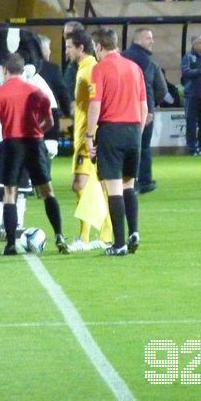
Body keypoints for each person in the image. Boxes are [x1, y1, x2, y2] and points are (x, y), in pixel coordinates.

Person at [0, 53, 69, 255]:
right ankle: (59, 236)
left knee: (10, 193)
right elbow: (50, 122)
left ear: (5, 71)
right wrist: (38, 130)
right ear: (23, 71)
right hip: (35, 143)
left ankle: (11, 244)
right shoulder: (37, 92)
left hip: (12, 144)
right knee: (47, 191)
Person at [85, 28, 147, 256]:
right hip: (133, 130)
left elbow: (95, 105)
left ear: (99, 46)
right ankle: (134, 232)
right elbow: (144, 107)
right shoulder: (134, 68)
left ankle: (119, 243)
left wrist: (90, 135)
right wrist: (136, 133)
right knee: (129, 184)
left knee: (113, 188)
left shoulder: (99, 69)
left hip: (111, 130)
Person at [64, 28, 111, 251]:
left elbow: (96, 103)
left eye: (69, 47)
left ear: (80, 48)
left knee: (82, 184)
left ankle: (87, 237)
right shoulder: (82, 69)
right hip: (81, 135)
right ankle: (103, 234)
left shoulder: (91, 69)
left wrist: (91, 135)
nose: (66, 51)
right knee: (92, 184)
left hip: (87, 137)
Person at [121, 27, 166, 193]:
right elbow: (162, 89)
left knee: (123, 148)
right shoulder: (150, 63)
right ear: (137, 40)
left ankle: (122, 181)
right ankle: (144, 181)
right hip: (144, 111)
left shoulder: (120, 58)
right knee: (144, 148)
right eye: (149, 38)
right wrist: (152, 106)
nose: (152, 41)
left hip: (122, 111)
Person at [37, 33, 71, 142]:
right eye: (48, 49)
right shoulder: (53, 69)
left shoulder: (22, 68)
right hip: (49, 118)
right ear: (42, 50)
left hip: (27, 119)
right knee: (48, 151)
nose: (50, 52)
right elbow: (62, 94)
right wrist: (67, 112)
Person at [61, 19, 83, 108]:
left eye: (69, 35)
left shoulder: (87, 58)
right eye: (65, 35)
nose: (66, 37)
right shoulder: (68, 52)